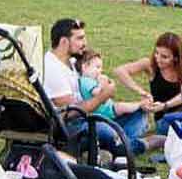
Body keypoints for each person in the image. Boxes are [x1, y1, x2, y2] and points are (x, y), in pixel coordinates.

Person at [42, 19, 151, 157]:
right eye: (80, 38)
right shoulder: (52, 68)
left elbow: (88, 83)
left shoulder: (72, 61)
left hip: (90, 117)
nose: (85, 43)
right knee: (105, 130)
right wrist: (102, 97)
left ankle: (119, 144)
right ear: (64, 42)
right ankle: (130, 146)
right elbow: (69, 113)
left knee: (138, 114)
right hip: (71, 127)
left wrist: (102, 83)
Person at [114, 32, 182, 137]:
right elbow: (120, 71)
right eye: (156, 53)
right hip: (166, 120)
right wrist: (140, 91)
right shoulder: (150, 65)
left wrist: (165, 105)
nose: (158, 58)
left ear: (176, 58)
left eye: (164, 57)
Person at [76, 49, 144, 122]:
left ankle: (139, 105)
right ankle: (140, 105)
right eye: (97, 67)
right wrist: (102, 85)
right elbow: (96, 93)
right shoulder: (85, 81)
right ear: (84, 67)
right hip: (103, 111)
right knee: (122, 107)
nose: (101, 70)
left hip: (106, 108)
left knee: (122, 106)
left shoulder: (91, 80)